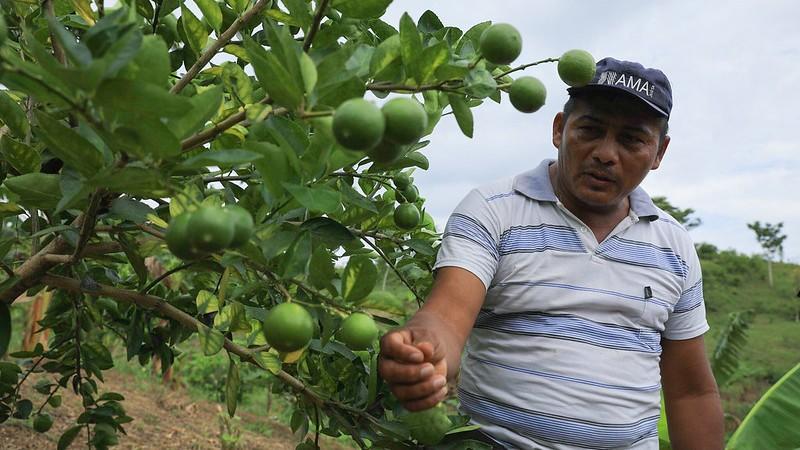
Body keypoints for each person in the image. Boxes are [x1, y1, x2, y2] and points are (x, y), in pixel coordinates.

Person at [378, 57, 724, 449]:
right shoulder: (494, 209)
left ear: (659, 152)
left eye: (632, 140)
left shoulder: (674, 246)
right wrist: (424, 352)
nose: (606, 154)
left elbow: (691, 393)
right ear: (559, 129)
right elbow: (446, 316)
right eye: (590, 130)